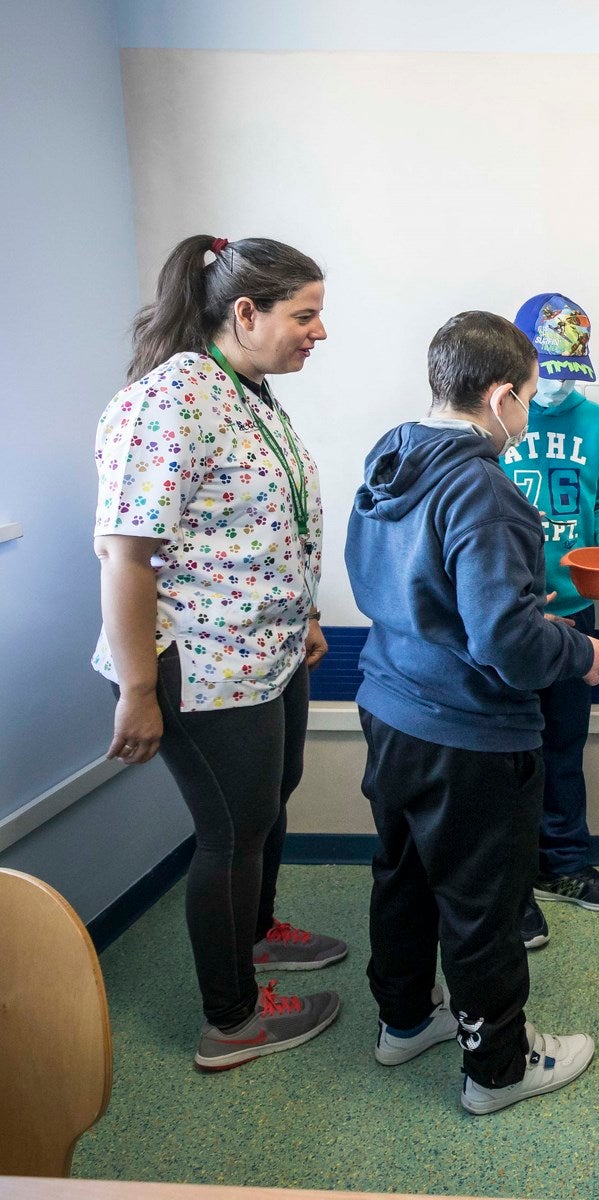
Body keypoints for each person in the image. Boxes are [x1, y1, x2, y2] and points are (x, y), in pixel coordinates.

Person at [346, 310, 599, 1114]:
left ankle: (403, 1021)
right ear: (499, 397)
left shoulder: (393, 456)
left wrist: (521, 628)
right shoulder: (485, 489)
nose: (526, 417)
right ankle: (496, 1067)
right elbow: (508, 643)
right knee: (480, 900)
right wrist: (577, 653)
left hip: (390, 705)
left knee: (403, 875)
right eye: (526, 399)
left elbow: (401, 586)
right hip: (468, 735)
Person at [93, 234, 346, 1071]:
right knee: (231, 830)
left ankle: (258, 935)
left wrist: (304, 613)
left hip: (264, 644)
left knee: (273, 796)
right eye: (304, 315)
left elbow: (261, 522)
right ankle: (230, 1020)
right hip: (198, 659)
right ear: (245, 312)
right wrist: (138, 688)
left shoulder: (248, 390)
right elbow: (126, 556)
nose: (319, 332)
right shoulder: (168, 401)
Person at [501, 293, 599, 951]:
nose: (554, 383)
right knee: (509, 757)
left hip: (576, 612)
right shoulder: (495, 423)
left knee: (564, 748)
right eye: (543, 368)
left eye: (565, 370)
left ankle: (564, 864)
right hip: (512, 616)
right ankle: (511, 886)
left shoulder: (592, 421)